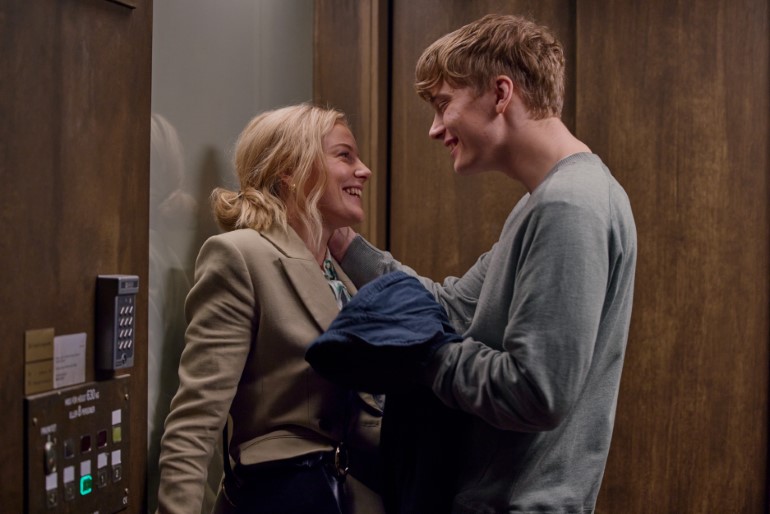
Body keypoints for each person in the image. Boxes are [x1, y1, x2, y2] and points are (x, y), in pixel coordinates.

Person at [329, 13, 638, 513]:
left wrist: (422, 356)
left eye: (442, 104)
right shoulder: (543, 203)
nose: (435, 129)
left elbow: (536, 392)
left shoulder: (569, 205)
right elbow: (451, 307)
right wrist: (345, 245)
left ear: (500, 93)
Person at [156, 103, 385, 514]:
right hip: (282, 497)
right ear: (290, 170)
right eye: (345, 155)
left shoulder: (340, 275)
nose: (364, 170)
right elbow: (195, 422)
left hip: (346, 494)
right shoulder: (240, 256)